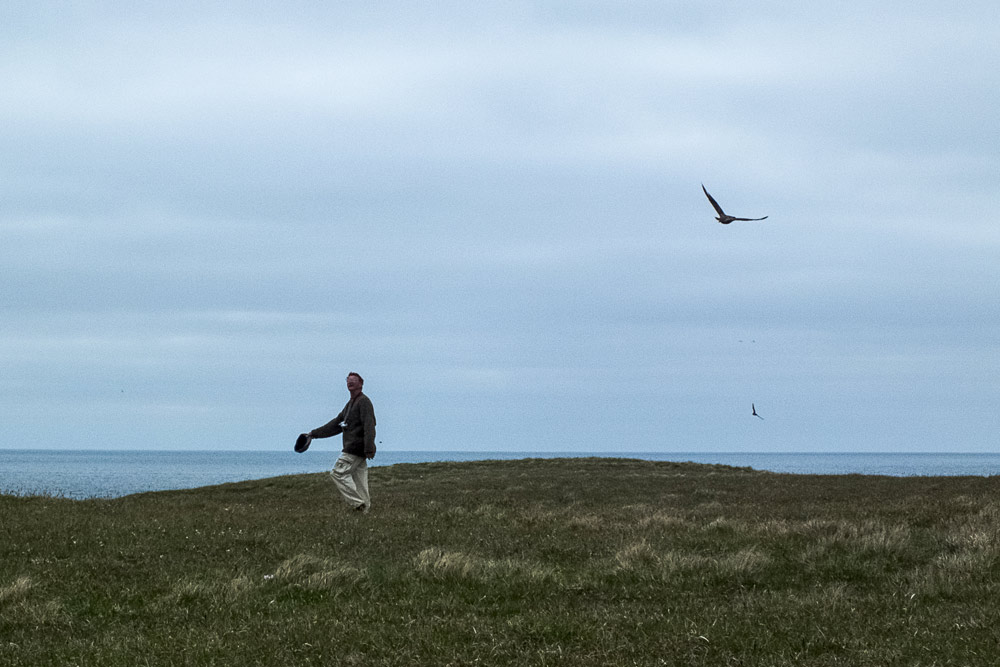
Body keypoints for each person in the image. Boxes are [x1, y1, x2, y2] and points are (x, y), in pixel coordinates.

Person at [301, 372, 377, 513]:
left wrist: (369, 448)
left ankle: (357, 504)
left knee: (337, 473)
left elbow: (369, 425)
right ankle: (365, 511)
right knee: (360, 481)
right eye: (348, 380)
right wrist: (313, 434)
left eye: (354, 380)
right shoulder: (349, 405)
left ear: (361, 384)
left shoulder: (364, 402)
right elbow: (336, 424)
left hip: (354, 448)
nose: (350, 382)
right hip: (359, 450)